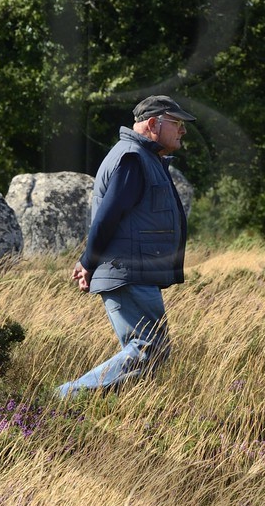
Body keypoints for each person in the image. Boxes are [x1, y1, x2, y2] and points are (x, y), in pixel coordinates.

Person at [55, 94, 193, 398]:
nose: (183, 130)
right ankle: (64, 398)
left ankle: (120, 413)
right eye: (177, 123)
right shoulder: (131, 158)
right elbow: (107, 217)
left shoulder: (145, 158)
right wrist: (88, 261)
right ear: (154, 124)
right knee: (148, 350)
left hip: (136, 273)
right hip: (128, 272)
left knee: (150, 354)